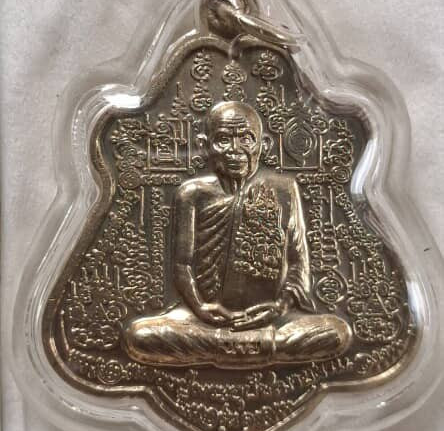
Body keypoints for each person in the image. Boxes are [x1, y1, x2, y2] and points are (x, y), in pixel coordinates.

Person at [123, 101, 351, 367]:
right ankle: (255, 346)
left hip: (272, 319)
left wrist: (279, 307)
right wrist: (201, 308)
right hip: (204, 321)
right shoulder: (192, 194)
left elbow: (298, 261)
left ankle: (225, 346)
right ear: (204, 145)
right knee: (140, 335)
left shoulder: (284, 189)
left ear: (263, 145)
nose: (235, 150)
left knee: (336, 332)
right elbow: (182, 265)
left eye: (246, 139)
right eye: (223, 140)